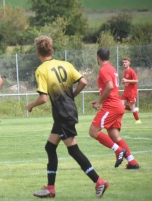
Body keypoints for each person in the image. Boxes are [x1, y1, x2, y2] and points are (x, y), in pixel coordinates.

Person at [26, 35, 109, 199]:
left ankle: (99, 181)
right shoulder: (66, 64)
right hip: (66, 112)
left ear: (38, 53)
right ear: (52, 50)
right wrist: (72, 96)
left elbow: (43, 98)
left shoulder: (41, 70)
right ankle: (50, 187)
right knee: (50, 147)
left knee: (73, 149)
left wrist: (30, 105)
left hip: (62, 114)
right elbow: (83, 82)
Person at [89, 48, 140, 170]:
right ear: (109, 57)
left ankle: (118, 150)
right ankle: (132, 162)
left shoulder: (103, 69)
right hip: (117, 104)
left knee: (93, 131)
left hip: (111, 106)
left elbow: (110, 86)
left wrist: (99, 102)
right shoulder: (112, 68)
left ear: (98, 58)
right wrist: (100, 100)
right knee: (115, 136)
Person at [121, 57, 141, 124]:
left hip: (131, 92)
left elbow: (136, 80)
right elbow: (126, 81)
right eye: (123, 62)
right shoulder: (125, 71)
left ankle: (138, 120)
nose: (124, 63)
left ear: (129, 63)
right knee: (120, 105)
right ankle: (134, 110)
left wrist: (127, 80)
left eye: (126, 62)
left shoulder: (131, 71)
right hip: (126, 92)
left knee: (131, 106)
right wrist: (123, 82)